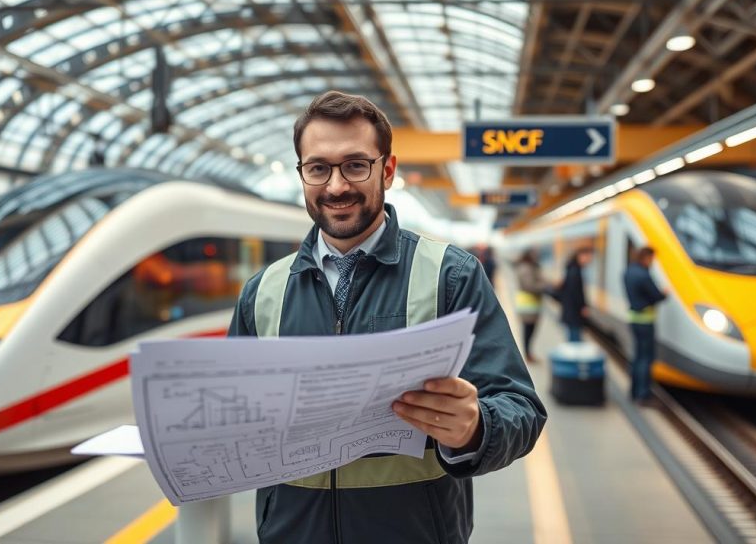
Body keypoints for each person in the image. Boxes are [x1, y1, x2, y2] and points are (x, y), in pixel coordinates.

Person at [229, 90, 546, 544]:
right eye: (318, 168)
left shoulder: (450, 276)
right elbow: (231, 412)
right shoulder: (262, 292)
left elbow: (522, 409)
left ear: (388, 170)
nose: (336, 186)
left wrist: (475, 428)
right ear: (303, 175)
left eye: (356, 165)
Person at [623, 246, 667, 403]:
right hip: (646, 321)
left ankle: (633, 391)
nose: (652, 262)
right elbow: (656, 296)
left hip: (633, 318)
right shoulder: (644, 275)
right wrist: (664, 294)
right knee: (646, 358)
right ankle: (643, 394)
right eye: (652, 259)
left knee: (637, 356)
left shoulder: (628, 271)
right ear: (646, 257)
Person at [514, 249, 547, 362]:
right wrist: (545, 286)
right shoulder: (526, 269)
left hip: (530, 305)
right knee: (528, 331)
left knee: (529, 331)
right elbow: (530, 286)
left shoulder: (528, 267)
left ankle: (528, 353)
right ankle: (527, 354)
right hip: (528, 306)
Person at [558, 247, 593, 342]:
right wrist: (582, 306)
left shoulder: (572, 269)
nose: (590, 260)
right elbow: (576, 293)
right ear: (580, 256)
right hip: (574, 313)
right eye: (588, 257)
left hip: (570, 312)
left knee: (572, 337)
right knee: (574, 339)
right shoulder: (575, 271)